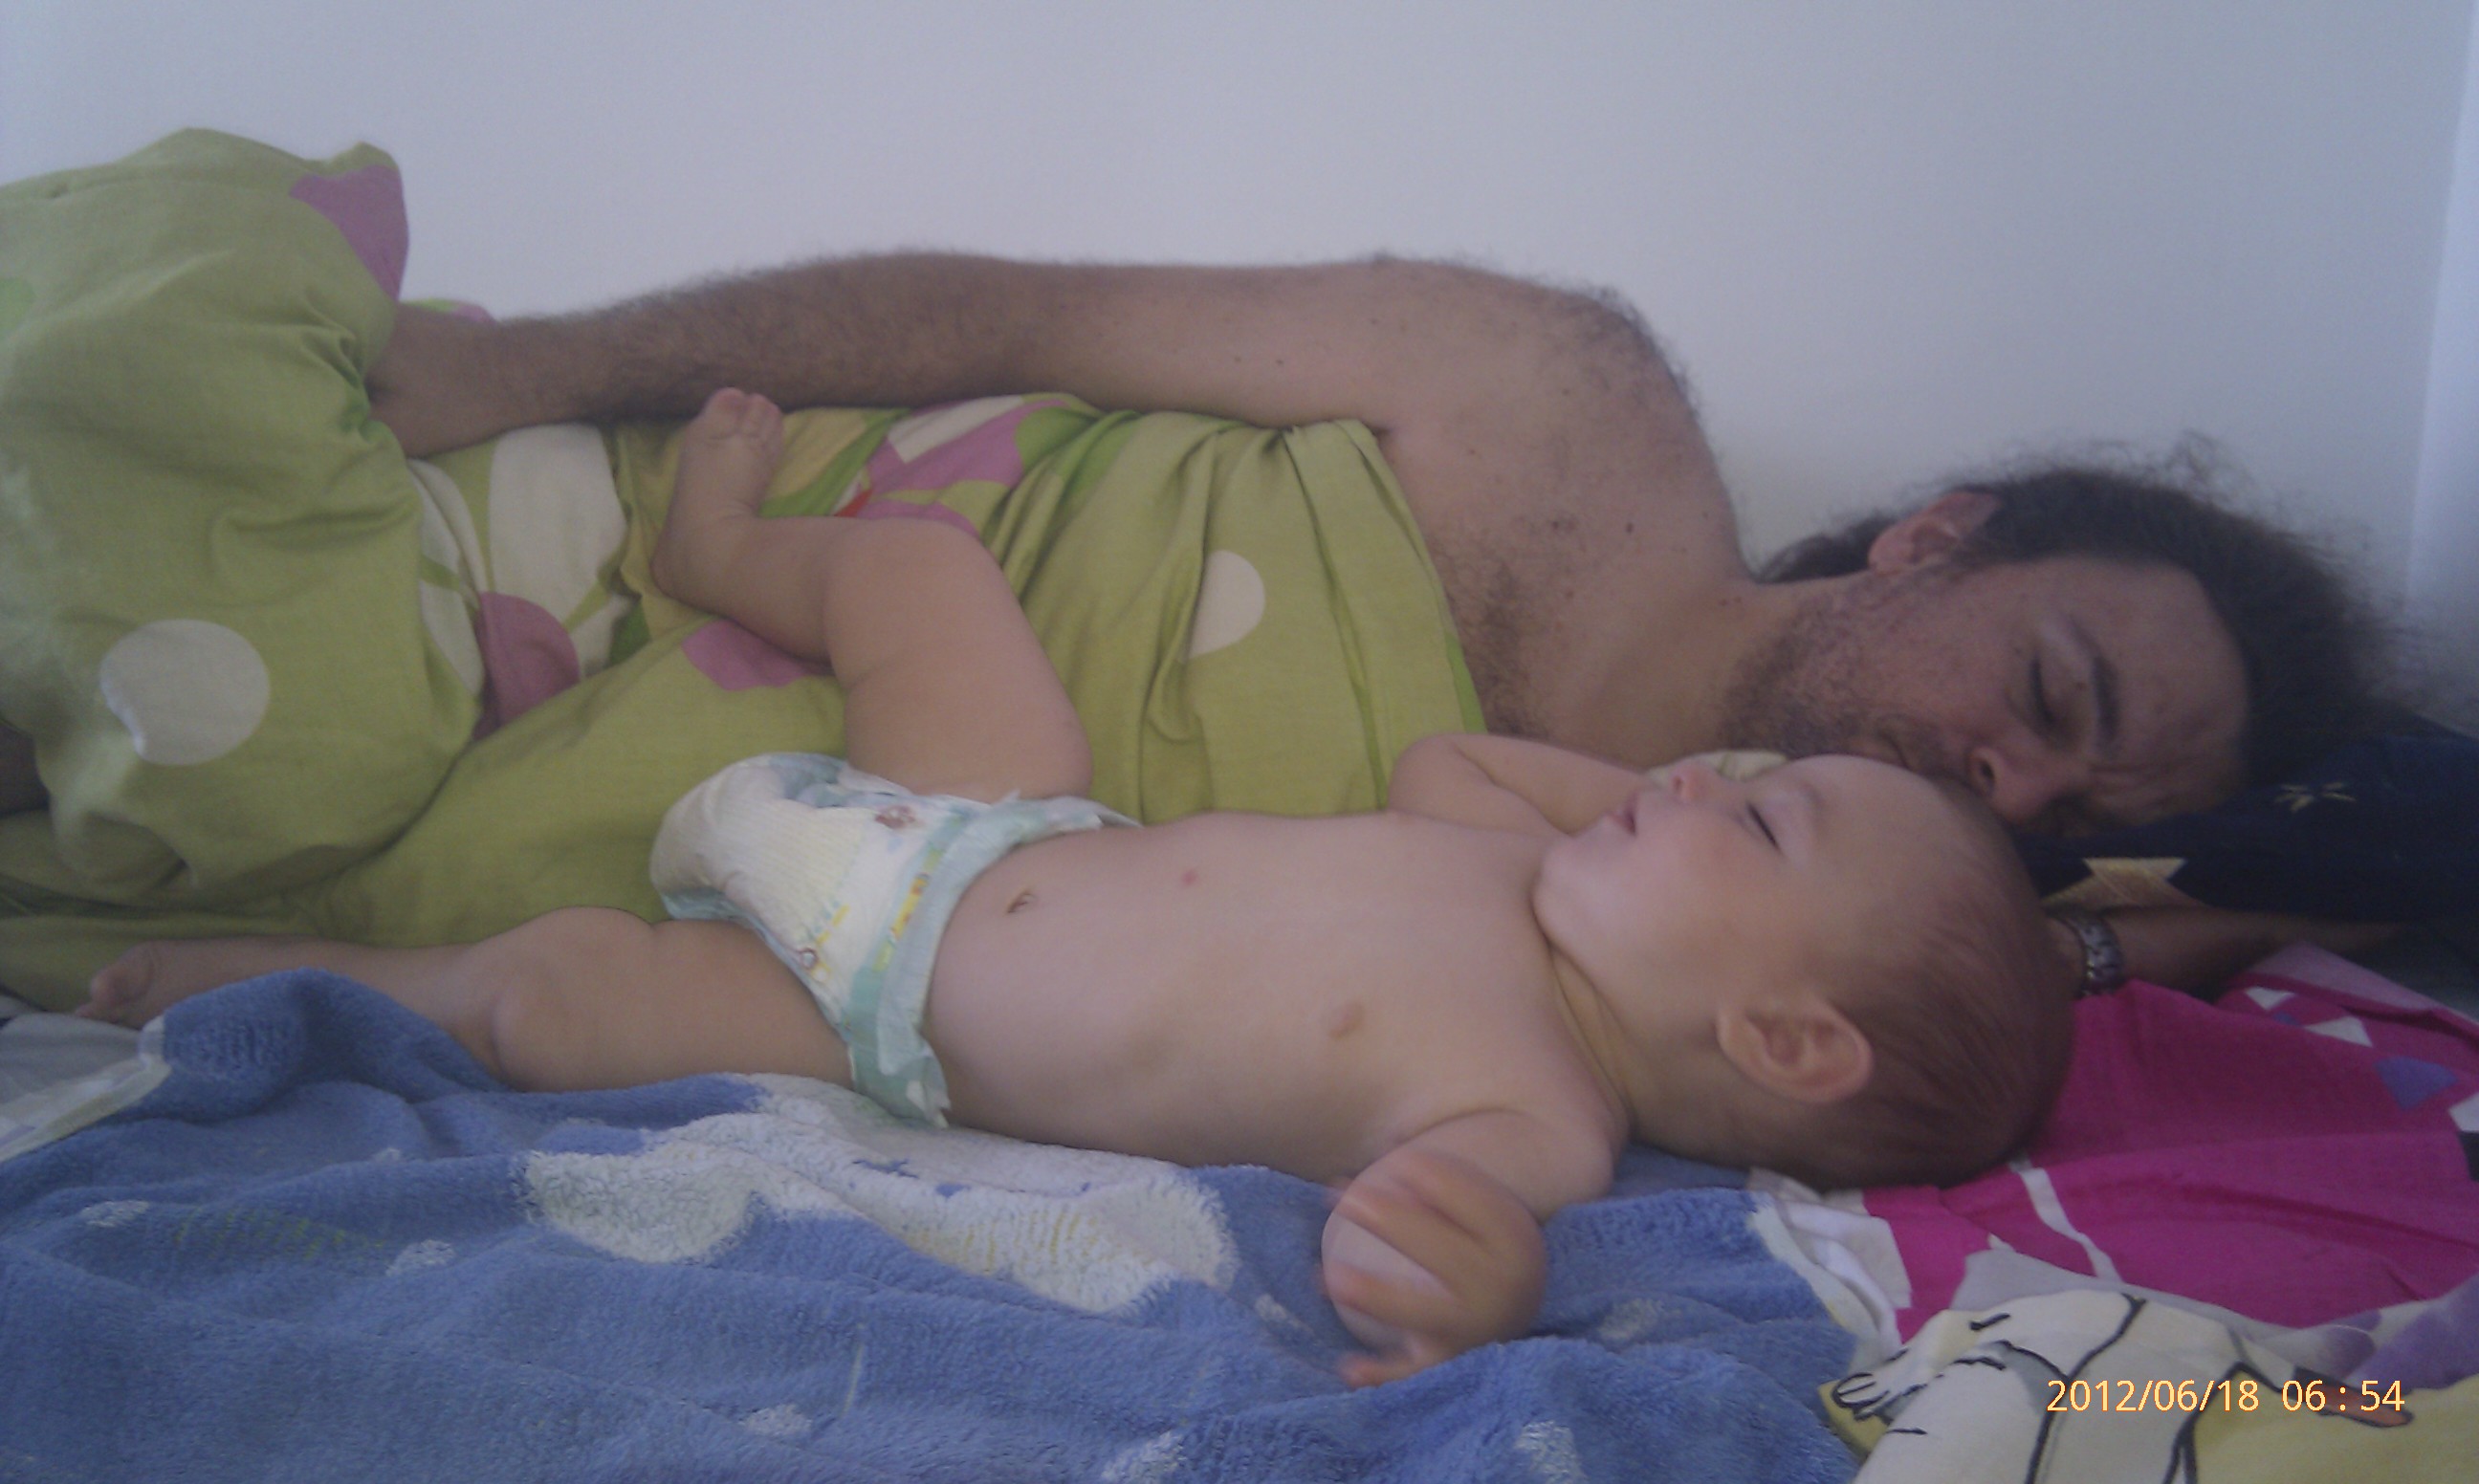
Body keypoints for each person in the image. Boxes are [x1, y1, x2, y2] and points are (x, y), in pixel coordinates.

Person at [83, 390, 2075, 1386]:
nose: (1705, 787)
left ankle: (241, 969)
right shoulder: (1520, 850)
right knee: (925, 575)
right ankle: (716, 545)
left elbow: (1435, 1237)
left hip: (889, 1026)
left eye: (1764, 826)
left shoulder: (1536, 1112)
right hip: (1000, 827)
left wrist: (1471, 1290)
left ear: (1785, 1038)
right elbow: (1439, 763)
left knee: (543, 994)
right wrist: (1652, 797)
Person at [354, 252, 2388, 988]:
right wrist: (527, 364)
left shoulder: (1744, 962)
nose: (2010, 783)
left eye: (2069, 810)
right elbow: (1003, 309)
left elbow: (2350, 874)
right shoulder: (1566, 403)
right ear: (1936, 537)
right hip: (631, 538)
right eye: (2048, 690)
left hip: (660, 886)